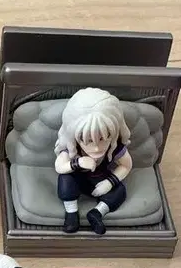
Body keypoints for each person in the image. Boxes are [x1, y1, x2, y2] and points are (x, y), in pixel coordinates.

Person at [54, 88, 133, 235]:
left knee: (120, 191)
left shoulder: (115, 147)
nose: (96, 148)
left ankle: (96, 213)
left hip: (100, 180)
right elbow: (59, 166)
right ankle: (71, 214)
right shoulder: (73, 147)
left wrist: (109, 183)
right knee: (65, 179)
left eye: (103, 139)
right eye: (88, 140)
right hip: (78, 180)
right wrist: (77, 163)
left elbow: (126, 165)